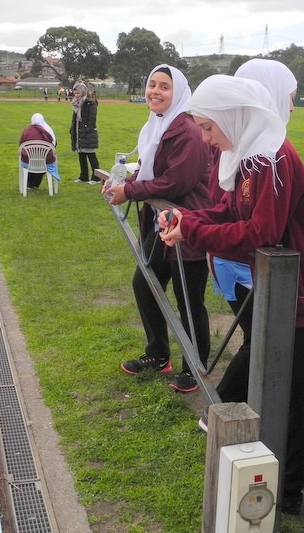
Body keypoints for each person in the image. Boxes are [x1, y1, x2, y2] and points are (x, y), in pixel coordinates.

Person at [158, 74, 304, 515]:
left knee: (288, 399)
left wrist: (192, 228)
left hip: (299, 295)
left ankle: (288, 493)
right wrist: (185, 217)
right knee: (273, 389)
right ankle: (274, 479)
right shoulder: (251, 156)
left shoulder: (270, 160)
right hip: (278, 291)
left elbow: (261, 231)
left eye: (210, 128)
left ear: (233, 116)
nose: (209, 140)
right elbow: (228, 210)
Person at [104, 64, 213, 394]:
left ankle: (196, 367)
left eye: (164, 86)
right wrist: (121, 184)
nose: (155, 91)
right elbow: (150, 171)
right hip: (158, 222)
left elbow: (176, 181)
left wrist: (131, 192)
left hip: (185, 224)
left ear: (178, 93)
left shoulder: (189, 132)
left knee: (188, 300)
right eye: (152, 84)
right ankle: (158, 354)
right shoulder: (156, 125)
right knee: (145, 285)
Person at [206, 58, 299, 410]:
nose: (290, 104)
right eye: (288, 96)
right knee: (261, 337)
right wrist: (195, 228)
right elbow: (255, 224)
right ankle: (225, 404)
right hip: (247, 262)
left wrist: (193, 225)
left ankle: (233, 405)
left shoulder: (259, 152)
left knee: (257, 337)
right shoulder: (261, 155)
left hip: (244, 258)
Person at [18, 112, 61, 189]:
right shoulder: (48, 130)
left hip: (28, 161)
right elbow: (53, 145)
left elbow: (21, 144)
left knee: (30, 159)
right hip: (45, 161)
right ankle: (34, 183)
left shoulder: (27, 131)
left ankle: (30, 183)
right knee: (44, 159)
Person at [70, 82, 101, 184]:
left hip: (87, 132)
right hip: (79, 131)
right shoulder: (76, 103)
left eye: (78, 93)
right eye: (75, 93)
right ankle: (83, 176)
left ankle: (96, 177)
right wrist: (72, 129)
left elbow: (92, 118)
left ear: (83, 92)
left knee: (91, 154)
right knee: (81, 154)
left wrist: (87, 128)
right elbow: (75, 118)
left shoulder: (90, 102)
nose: (76, 95)